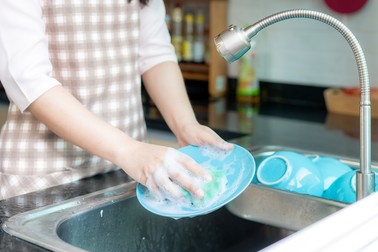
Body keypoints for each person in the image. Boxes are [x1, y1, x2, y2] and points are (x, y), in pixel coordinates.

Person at [0, 0, 232, 201]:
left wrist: (185, 125)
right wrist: (129, 151)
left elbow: (155, 53)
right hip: (47, 176)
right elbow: (30, 80)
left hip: (124, 171)